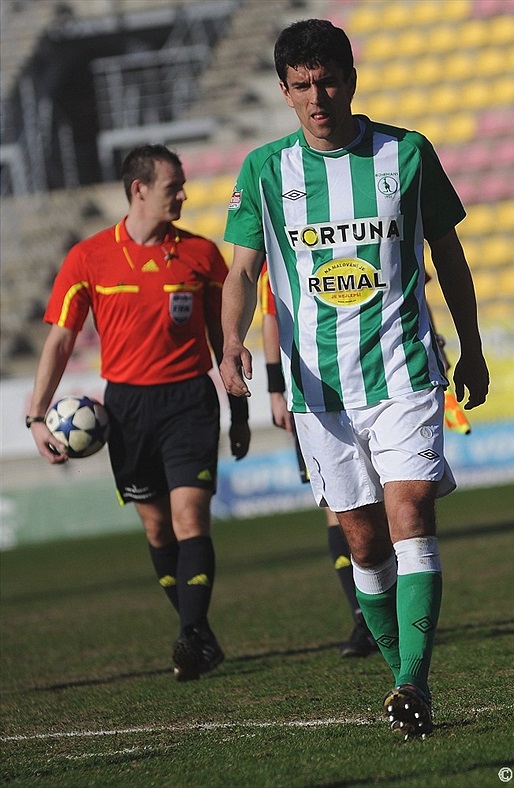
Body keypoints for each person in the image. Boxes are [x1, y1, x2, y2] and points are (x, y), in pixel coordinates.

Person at [219, 19, 489, 739]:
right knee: (364, 545)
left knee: (412, 514)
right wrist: (231, 342)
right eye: (301, 86)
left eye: (328, 81)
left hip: (405, 371)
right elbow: (241, 273)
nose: (317, 98)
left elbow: (449, 256)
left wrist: (471, 347)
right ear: (283, 91)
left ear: (351, 79)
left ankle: (413, 682)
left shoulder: (408, 153)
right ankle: (403, 677)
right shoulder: (264, 171)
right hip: (321, 392)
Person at [27, 143, 250, 682]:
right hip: (127, 408)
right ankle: (200, 635)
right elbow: (60, 340)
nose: (184, 195)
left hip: (189, 401)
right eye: (174, 187)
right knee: (157, 531)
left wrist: (239, 411)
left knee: (190, 517)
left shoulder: (201, 255)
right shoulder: (89, 257)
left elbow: (224, 338)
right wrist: (36, 416)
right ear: (139, 190)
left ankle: (190, 636)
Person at [259, 262, 378, 658]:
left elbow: (410, 288)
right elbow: (271, 317)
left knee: (390, 502)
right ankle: (364, 618)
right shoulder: (280, 250)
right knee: (340, 508)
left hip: (381, 382)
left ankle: (393, 608)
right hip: (315, 396)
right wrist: (275, 390)